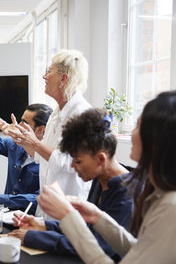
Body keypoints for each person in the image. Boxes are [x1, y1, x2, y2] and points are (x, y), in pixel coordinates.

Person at [38, 91, 176, 263]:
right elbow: (139, 250)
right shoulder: (159, 195)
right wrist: (98, 217)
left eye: (138, 126)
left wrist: (68, 217)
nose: (132, 133)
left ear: (157, 140)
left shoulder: (171, 208)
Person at [9, 108, 133, 261]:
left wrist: (36, 237)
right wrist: (46, 226)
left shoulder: (126, 194)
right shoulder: (100, 179)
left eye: (78, 160)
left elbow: (97, 246)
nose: (73, 166)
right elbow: (87, 229)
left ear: (101, 159)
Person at [8, 49, 92, 219]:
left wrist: (35, 142)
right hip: (48, 205)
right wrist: (22, 139)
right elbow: (40, 156)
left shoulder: (82, 114)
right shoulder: (56, 113)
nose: (44, 77)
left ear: (64, 78)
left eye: (49, 71)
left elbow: (70, 162)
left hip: (68, 208)